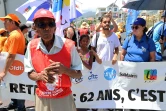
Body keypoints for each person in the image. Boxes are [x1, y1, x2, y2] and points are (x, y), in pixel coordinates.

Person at [24, 8, 83, 111]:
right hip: (42, 98)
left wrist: (65, 70)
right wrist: (39, 76)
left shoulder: (68, 45)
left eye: (50, 24)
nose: (47, 28)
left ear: (55, 27)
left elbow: (79, 74)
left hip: (63, 99)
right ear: (35, 28)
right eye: (42, 25)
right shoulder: (31, 46)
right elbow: (29, 72)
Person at [121, 18, 156, 111]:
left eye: (136, 27)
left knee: (141, 95)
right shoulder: (128, 39)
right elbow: (122, 54)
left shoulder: (149, 41)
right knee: (128, 93)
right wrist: (122, 67)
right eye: (132, 27)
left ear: (143, 27)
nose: (134, 29)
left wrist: (149, 75)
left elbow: (152, 58)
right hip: (128, 73)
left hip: (142, 73)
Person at [0, 14, 25, 111]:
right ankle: (15, 103)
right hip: (14, 66)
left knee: (16, 86)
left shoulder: (14, 35)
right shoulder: (16, 34)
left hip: (14, 66)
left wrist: (4, 71)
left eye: (6, 21)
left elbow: (11, 55)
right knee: (14, 85)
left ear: (13, 22)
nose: (4, 23)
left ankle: (20, 107)